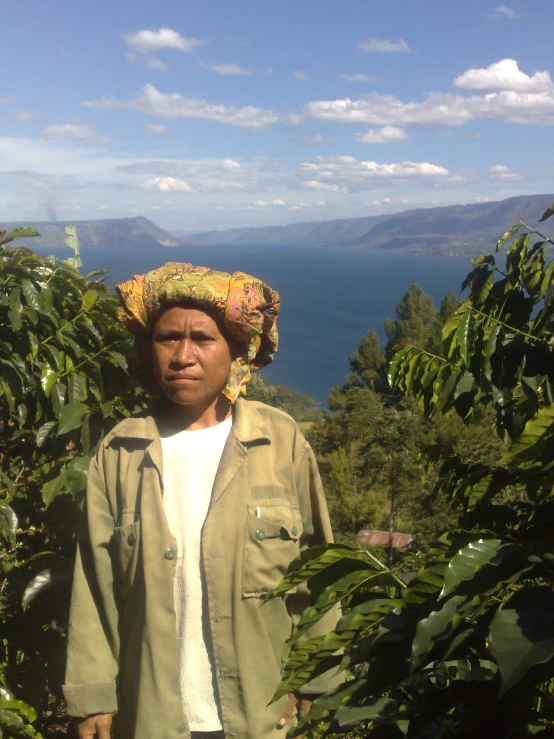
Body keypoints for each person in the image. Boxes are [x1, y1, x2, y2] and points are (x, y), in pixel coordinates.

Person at [63, 262, 338, 739]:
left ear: (235, 350)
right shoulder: (120, 451)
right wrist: (92, 698)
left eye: (203, 339)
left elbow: (320, 566)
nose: (182, 356)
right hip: (151, 715)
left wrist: (319, 679)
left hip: (263, 712)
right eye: (168, 338)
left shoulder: (280, 441)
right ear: (149, 349)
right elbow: (95, 583)